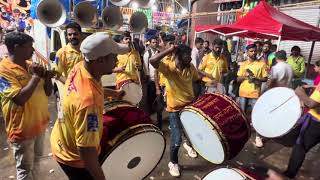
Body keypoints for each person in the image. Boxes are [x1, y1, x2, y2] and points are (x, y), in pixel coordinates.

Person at [50, 32, 129, 180]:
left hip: (62, 138)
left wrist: (114, 93)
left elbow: (93, 87)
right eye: (114, 56)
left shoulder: (81, 67)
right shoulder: (88, 103)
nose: (117, 60)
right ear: (100, 60)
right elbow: (86, 150)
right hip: (74, 158)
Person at [0, 32, 53, 180]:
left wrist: (47, 78)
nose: (33, 50)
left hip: (40, 125)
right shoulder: (4, 70)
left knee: (37, 162)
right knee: (24, 170)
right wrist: (36, 77)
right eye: (30, 47)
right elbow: (20, 99)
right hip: (22, 130)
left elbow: (48, 92)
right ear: (17, 48)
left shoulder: (31, 66)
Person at [150, 44, 199, 177]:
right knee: (176, 139)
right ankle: (173, 162)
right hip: (175, 110)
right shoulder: (168, 69)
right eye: (186, 55)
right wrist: (170, 50)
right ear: (178, 56)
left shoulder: (191, 68)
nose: (190, 58)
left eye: (190, 55)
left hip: (189, 108)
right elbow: (152, 61)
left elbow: (196, 80)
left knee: (191, 134)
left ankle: (188, 145)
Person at [284, 82, 320, 179]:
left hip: (316, 123)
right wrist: (313, 87)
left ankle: (289, 175)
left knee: (299, 148)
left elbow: (311, 103)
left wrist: (300, 92)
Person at [237, 44, 268, 148]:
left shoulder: (262, 64)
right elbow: (238, 79)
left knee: (256, 116)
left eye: (255, 51)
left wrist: (256, 78)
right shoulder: (243, 64)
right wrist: (245, 76)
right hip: (243, 93)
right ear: (247, 52)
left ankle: (258, 137)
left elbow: (265, 78)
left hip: (255, 93)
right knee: (242, 114)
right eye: (251, 51)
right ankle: (241, 133)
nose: (253, 53)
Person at [143, 36, 163, 128]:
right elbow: (145, 67)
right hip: (151, 80)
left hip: (160, 80)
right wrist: (147, 76)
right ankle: (151, 118)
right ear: (150, 43)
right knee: (151, 99)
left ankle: (158, 119)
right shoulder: (147, 53)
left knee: (159, 101)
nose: (155, 44)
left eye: (156, 42)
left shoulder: (159, 52)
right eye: (153, 42)